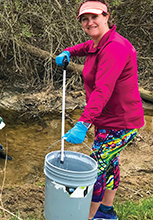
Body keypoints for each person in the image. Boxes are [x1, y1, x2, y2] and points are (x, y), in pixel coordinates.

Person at [55, 0, 144, 219]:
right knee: (109, 162)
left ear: (106, 16)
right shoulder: (100, 42)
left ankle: (89, 215)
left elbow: (102, 90)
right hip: (108, 119)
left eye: (94, 17)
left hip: (120, 122)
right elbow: (85, 47)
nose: (89, 22)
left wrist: (83, 123)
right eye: (84, 19)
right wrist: (68, 51)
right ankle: (106, 210)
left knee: (94, 169)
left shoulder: (114, 47)